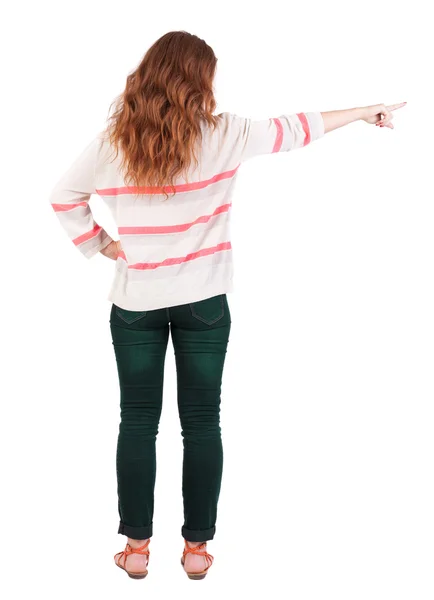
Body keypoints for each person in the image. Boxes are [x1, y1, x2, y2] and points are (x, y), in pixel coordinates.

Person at [48, 30, 406, 580]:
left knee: (138, 423)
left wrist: (102, 245)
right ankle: (196, 551)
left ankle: (137, 548)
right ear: (199, 80)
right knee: (202, 423)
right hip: (205, 306)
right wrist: (364, 112)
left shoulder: (113, 142)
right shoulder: (225, 134)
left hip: (136, 302)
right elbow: (299, 128)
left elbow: (62, 196)